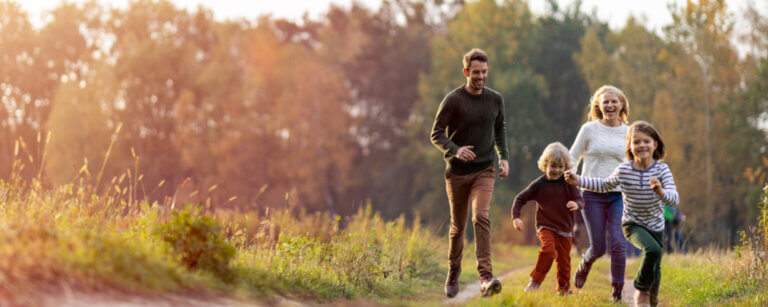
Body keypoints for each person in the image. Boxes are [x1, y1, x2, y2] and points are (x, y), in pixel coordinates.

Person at [565, 120, 679, 307]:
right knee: (653, 250)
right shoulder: (624, 170)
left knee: (655, 266)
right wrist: (578, 180)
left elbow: (674, 199)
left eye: (646, 141)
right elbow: (603, 185)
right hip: (633, 224)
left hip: (656, 226)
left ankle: (653, 298)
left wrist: (660, 192)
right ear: (630, 146)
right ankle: (640, 289)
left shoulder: (662, 169)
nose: (641, 145)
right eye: (636, 142)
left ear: (655, 144)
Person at [430, 48, 509, 298]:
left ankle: (485, 277)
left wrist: (504, 157)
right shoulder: (453, 100)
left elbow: (500, 129)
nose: (481, 77)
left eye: (485, 72)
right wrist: (455, 149)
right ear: (466, 72)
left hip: (484, 170)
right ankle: (453, 270)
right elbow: (436, 133)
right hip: (457, 174)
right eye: (476, 72)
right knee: (458, 227)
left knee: (481, 216)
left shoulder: (495, 99)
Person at [568, 85, 630, 302]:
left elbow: (636, 162)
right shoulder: (589, 130)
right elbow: (572, 159)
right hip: (591, 194)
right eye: (606, 102)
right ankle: (585, 263)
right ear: (599, 106)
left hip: (619, 195)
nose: (610, 105)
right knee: (598, 247)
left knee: (619, 242)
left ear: (621, 104)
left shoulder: (629, 132)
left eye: (614, 102)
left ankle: (617, 290)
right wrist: (567, 182)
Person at [511, 142, 584, 296]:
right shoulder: (539, 184)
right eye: (553, 166)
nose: (557, 170)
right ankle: (535, 282)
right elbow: (520, 198)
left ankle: (563, 290)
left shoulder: (569, 183)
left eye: (560, 166)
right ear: (545, 164)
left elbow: (580, 200)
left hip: (565, 229)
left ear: (566, 167)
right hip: (546, 226)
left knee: (564, 262)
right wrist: (516, 217)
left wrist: (576, 204)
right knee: (549, 251)